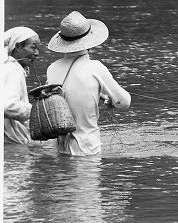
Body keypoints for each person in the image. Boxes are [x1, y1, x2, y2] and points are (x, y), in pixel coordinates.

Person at [46, 11, 131, 156]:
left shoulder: (52, 68)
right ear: (89, 40)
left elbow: (62, 98)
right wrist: (111, 101)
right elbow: (124, 102)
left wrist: (99, 95)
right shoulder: (95, 67)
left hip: (59, 149)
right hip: (87, 149)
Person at [3, 26, 41, 144]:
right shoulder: (14, 70)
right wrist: (37, 111)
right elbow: (8, 106)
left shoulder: (6, 66)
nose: (37, 53)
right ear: (18, 47)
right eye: (33, 48)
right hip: (12, 141)